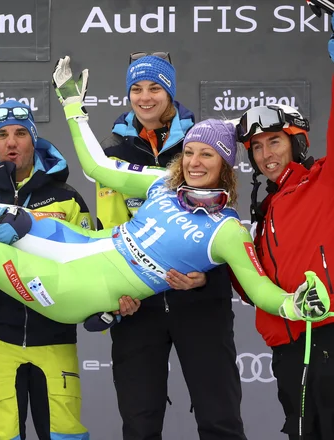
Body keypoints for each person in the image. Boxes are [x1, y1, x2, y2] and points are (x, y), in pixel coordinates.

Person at [0, 110, 329, 326]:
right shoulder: (161, 184)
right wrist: (73, 106)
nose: (193, 162)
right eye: (189, 152)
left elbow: (260, 289)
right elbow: (97, 167)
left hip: (77, 287)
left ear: (225, 165)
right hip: (74, 245)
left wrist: (294, 306)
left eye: (206, 155)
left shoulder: (227, 229)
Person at [96, 52, 248, 440]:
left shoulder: (201, 140)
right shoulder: (111, 151)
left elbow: (223, 226)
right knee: (140, 422)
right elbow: (108, 229)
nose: (145, 97)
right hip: (139, 304)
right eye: (136, 89)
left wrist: (205, 278)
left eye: (155, 88)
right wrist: (115, 291)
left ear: (171, 92)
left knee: (220, 419)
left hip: (200, 301)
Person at [0, 100, 104, 440]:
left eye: (20, 133)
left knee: (64, 434)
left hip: (53, 335)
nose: (11, 142)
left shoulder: (65, 196)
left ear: (33, 140)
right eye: (2, 135)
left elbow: (88, 260)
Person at [233, 47, 334, 438]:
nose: (264, 155)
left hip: (327, 335)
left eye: (274, 141)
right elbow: (253, 285)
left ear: (297, 141)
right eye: (256, 147)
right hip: (288, 349)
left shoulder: (324, 180)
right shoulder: (265, 209)